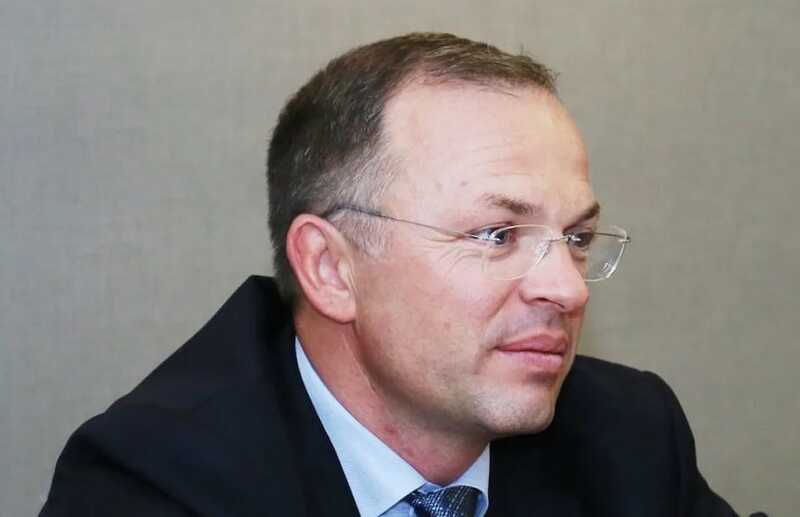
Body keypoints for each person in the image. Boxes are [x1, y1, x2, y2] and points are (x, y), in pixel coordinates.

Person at [40, 32, 740, 516]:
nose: (567, 287)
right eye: (497, 235)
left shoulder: (627, 434)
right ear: (330, 268)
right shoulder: (155, 481)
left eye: (577, 238)